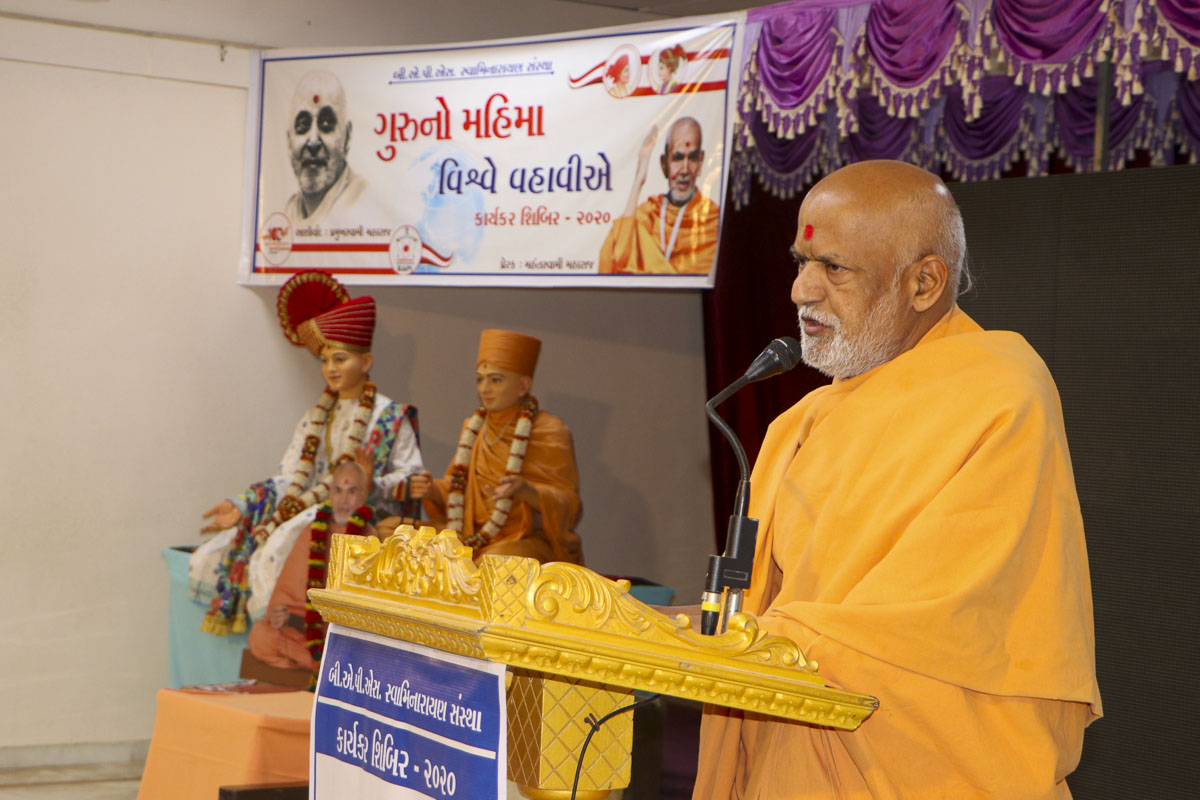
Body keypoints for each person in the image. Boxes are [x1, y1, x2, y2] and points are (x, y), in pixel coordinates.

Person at [692, 160, 1101, 798]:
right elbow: (761, 608)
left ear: (924, 283)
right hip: (789, 754)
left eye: (834, 267)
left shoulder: (999, 395)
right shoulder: (799, 424)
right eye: (800, 262)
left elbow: (937, 631)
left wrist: (720, 637)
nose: (801, 290)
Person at [191, 270, 423, 634]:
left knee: (278, 546)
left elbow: (413, 479)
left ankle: (280, 639)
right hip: (307, 505)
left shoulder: (390, 417)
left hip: (362, 514)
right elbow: (289, 478)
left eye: (340, 359)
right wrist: (243, 504)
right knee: (218, 550)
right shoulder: (315, 416)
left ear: (366, 362)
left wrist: (372, 483)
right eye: (325, 360)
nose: (330, 368)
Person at [386, 329, 583, 564]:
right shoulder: (474, 426)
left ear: (523, 385)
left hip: (522, 538)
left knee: (492, 562)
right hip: (468, 533)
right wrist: (433, 490)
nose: (484, 388)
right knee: (391, 532)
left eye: (495, 380)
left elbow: (570, 506)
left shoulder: (549, 430)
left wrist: (527, 491)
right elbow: (458, 488)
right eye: (480, 379)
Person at [247, 460, 375, 672]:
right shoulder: (311, 531)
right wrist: (276, 617)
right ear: (330, 494)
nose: (343, 500)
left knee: (362, 651)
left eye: (351, 492)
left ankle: (320, 665)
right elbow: (285, 593)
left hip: (343, 633)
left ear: (363, 496)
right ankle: (324, 666)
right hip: (305, 629)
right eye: (338, 491)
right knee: (260, 636)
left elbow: (368, 607)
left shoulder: (369, 538)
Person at [598, 116, 719, 275]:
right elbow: (615, 260)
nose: (684, 170)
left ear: (701, 162)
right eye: (677, 158)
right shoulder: (649, 215)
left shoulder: (714, 221)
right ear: (664, 164)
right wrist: (638, 181)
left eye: (692, 158)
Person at [284, 70, 369, 225]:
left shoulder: (364, 202)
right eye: (303, 125)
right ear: (289, 141)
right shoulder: (287, 215)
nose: (313, 141)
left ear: (347, 137)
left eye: (326, 124)